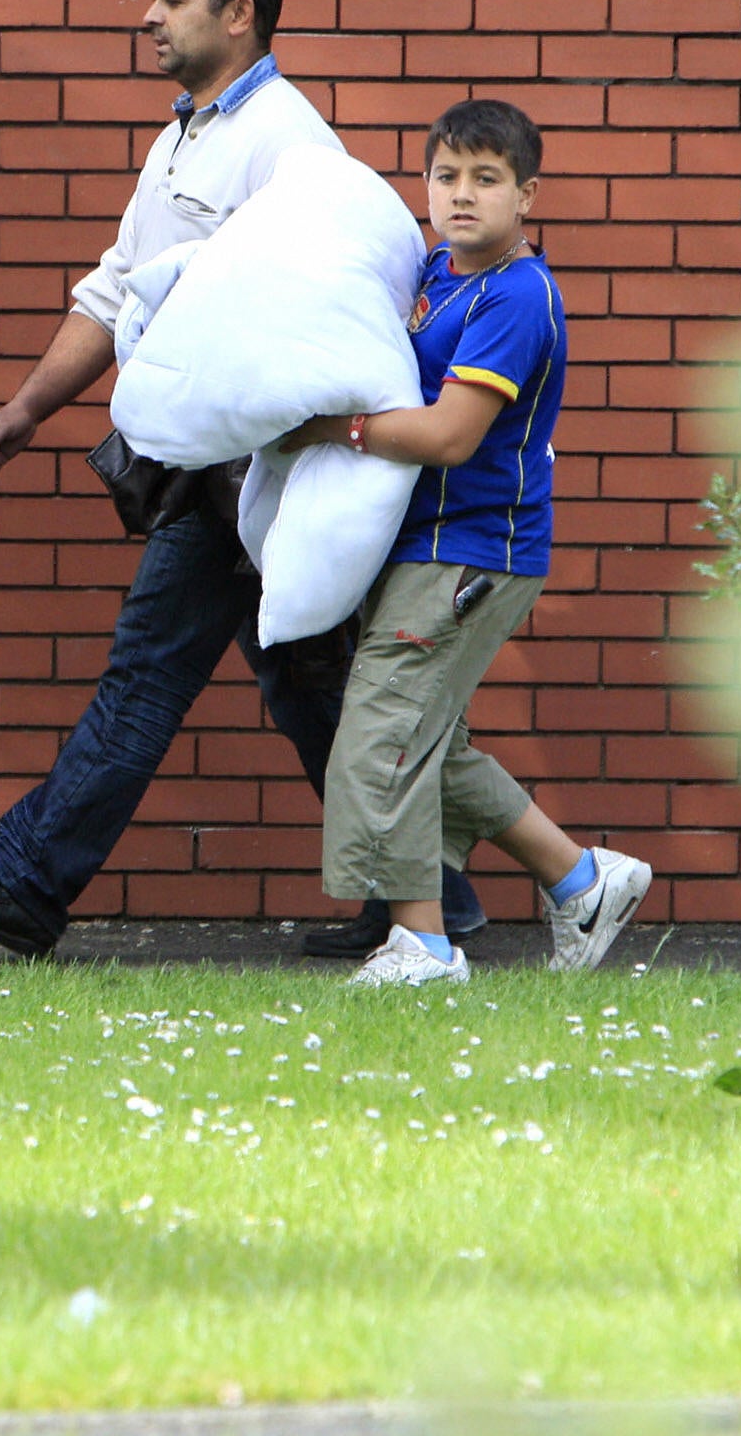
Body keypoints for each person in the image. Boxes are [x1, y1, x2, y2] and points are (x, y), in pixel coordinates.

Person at [0, 0, 486, 961]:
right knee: (307, 681)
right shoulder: (185, 136)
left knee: (150, 669)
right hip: (220, 466)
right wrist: (29, 408)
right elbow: (118, 288)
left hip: (253, 468)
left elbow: (330, 298)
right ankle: (430, 892)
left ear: (239, 14)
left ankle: (28, 880)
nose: (149, 15)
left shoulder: (289, 146)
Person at [279, 100, 652, 984]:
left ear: (528, 195)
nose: (462, 194)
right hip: (428, 546)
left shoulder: (517, 295)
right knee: (432, 740)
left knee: (383, 726)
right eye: (446, 176)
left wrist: (340, 428)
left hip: (473, 548)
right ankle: (584, 880)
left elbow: (451, 434)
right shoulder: (434, 273)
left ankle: (425, 944)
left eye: (486, 179)